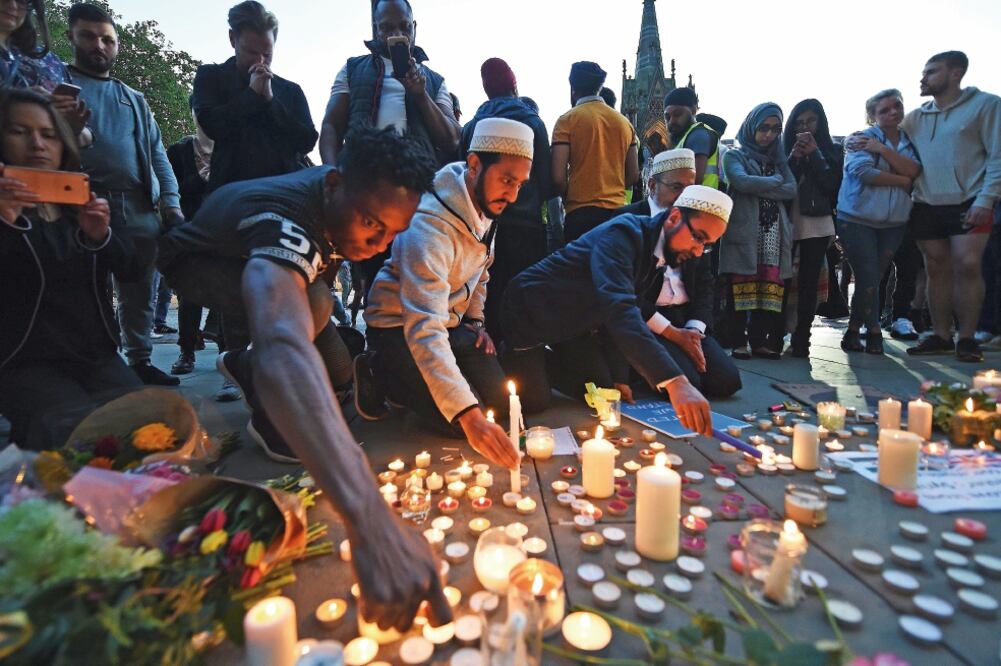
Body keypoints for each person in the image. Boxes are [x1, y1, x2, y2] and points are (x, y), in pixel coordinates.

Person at [158, 127, 453, 632]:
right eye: (370, 225)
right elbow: (283, 342)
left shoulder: (348, 195)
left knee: (335, 367)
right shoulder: (287, 220)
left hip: (267, 254)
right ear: (333, 184)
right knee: (309, 311)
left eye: (391, 235)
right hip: (199, 262)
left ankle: (245, 365)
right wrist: (371, 520)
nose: (377, 244)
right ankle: (252, 372)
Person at [357, 118, 531, 469]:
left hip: (450, 325)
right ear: (474, 165)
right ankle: (378, 370)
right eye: (507, 181)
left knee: (502, 407)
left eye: (521, 184)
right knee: (465, 424)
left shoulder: (487, 203)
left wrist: (477, 322)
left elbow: (483, 269)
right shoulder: (428, 224)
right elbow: (423, 326)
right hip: (399, 327)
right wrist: (468, 416)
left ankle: (416, 383)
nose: (513, 195)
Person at [502, 185, 733, 435]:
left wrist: (620, 375)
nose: (699, 252)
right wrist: (676, 381)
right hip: (530, 313)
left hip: (573, 326)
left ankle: (543, 362)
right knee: (535, 401)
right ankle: (508, 353)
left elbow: (629, 306)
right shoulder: (623, 235)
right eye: (698, 237)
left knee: (603, 388)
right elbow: (619, 308)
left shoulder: (658, 251)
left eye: (706, 245)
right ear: (674, 217)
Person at [0, 89, 141, 449]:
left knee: (148, 428)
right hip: (24, 361)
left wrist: (102, 236)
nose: (37, 145)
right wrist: (6, 225)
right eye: (19, 131)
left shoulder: (80, 202)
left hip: (94, 356)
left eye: (48, 134)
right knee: (76, 435)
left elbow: (133, 269)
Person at [66, 3, 183, 385]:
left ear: (117, 46)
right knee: (84, 286)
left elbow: (157, 154)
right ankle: (94, 363)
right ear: (71, 37)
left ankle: (139, 361)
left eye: (107, 39)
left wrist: (170, 201)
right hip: (80, 203)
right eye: (88, 36)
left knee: (139, 290)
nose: (98, 45)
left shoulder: (133, 97)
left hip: (138, 206)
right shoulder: (57, 85)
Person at [318, 0, 459, 307]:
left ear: (414, 28)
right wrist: (331, 173)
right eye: (387, 27)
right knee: (371, 275)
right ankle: (377, 347)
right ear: (376, 30)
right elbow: (330, 125)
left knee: (415, 276)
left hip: (415, 197)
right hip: (362, 190)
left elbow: (451, 139)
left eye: (404, 27)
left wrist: (421, 95)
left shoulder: (434, 81)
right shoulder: (353, 69)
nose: (397, 34)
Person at [901, 51, 1001, 362]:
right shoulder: (916, 117)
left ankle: (967, 337)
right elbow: (889, 138)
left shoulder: (986, 105)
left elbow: (998, 156)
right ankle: (941, 335)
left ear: (956, 73)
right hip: (927, 203)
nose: (924, 77)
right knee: (935, 269)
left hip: (971, 200)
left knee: (968, 266)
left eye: (932, 71)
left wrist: (987, 200)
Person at [617, 149, 741, 397]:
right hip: (647, 320)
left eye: (690, 187)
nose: (684, 196)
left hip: (684, 317)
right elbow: (626, 296)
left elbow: (706, 284)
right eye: (676, 187)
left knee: (726, 381)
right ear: (652, 185)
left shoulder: (697, 221)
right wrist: (673, 335)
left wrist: (694, 331)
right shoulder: (629, 221)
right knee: (690, 382)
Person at [459, 57, 551, 346]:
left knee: (489, 294)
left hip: (484, 227)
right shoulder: (533, 122)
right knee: (523, 298)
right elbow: (548, 180)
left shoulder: (472, 126)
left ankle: (491, 348)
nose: (509, 192)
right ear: (514, 86)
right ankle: (522, 356)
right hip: (526, 228)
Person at [193, 1, 316, 194]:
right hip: (229, 194)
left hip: (283, 193)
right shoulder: (211, 76)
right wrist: (252, 95)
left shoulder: (290, 90)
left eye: (267, 54)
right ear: (233, 39)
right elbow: (212, 125)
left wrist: (270, 102)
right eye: (251, 52)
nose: (260, 61)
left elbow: (307, 141)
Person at [837, 89, 921, 354]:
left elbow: (916, 170)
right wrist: (903, 180)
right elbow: (863, 172)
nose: (893, 112)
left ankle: (853, 330)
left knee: (874, 276)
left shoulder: (910, 140)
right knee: (868, 276)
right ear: (872, 116)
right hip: (857, 218)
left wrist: (883, 150)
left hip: (894, 222)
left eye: (897, 106)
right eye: (884, 110)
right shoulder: (861, 139)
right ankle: (873, 331)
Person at [718, 103, 797, 359]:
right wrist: (775, 182)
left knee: (768, 288)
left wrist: (760, 185)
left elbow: (791, 189)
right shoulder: (734, 156)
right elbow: (740, 181)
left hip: (773, 235)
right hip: (744, 232)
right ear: (752, 126)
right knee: (740, 287)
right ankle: (738, 342)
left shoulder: (779, 158)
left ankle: (759, 340)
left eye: (775, 129)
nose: (769, 135)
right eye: (764, 128)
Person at [782, 99, 843, 357]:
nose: (805, 127)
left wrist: (815, 153)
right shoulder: (785, 150)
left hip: (816, 223)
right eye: (799, 123)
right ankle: (777, 333)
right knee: (783, 278)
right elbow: (782, 183)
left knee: (808, 281)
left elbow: (832, 186)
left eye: (810, 121)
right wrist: (794, 158)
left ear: (821, 122)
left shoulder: (833, 150)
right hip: (786, 220)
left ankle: (802, 338)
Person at [552, 61, 639, 242]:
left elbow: (558, 177)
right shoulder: (624, 124)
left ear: (573, 88)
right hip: (616, 213)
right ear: (600, 87)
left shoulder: (567, 120)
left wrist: (570, 196)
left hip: (579, 215)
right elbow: (633, 175)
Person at [166, 112, 213, 376]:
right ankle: (187, 350)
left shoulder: (233, 151)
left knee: (227, 296)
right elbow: (171, 190)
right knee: (190, 294)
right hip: (190, 231)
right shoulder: (180, 151)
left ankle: (229, 354)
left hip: (223, 232)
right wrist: (202, 177)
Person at [664, 86, 720, 189]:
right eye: (667, 117)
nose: (671, 121)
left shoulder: (698, 135)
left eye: (677, 114)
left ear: (693, 110)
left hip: (698, 201)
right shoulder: (685, 136)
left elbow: (693, 180)